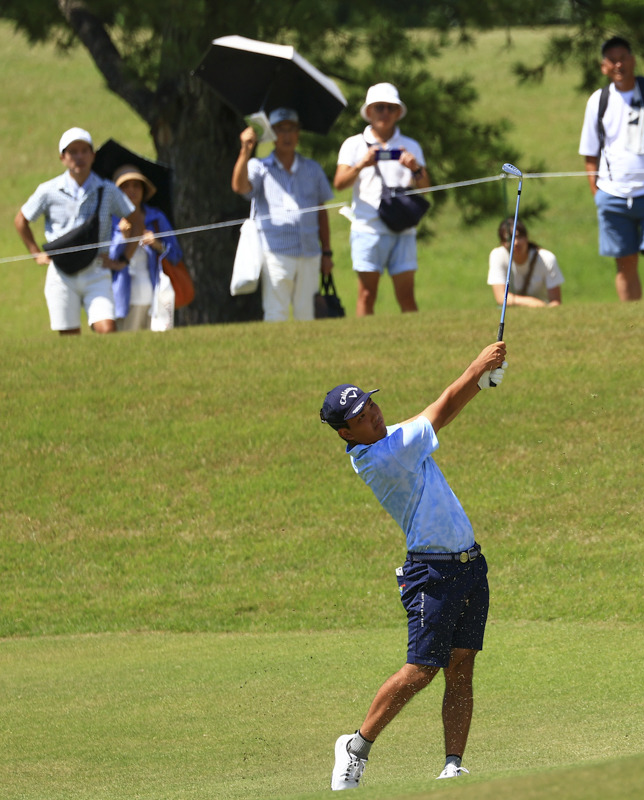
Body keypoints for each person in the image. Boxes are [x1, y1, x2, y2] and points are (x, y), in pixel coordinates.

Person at [322, 341, 508, 790]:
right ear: (347, 434)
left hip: (469, 566)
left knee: (461, 667)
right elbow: (441, 409)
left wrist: (482, 382)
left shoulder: (389, 438)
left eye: (372, 405)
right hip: (433, 573)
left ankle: (452, 766)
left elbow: (430, 411)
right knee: (421, 669)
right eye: (362, 418)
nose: (374, 416)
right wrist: (476, 368)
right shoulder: (383, 457)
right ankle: (356, 746)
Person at [578, 36, 644, 302]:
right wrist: (597, 194)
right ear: (603, 66)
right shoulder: (598, 100)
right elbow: (590, 153)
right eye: (612, 60)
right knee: (624, 263)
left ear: (633, 60)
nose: (618, 64)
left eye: (623, 58)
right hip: (612, 194)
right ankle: (632, 321)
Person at [13, 127, 138, 335]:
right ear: (62, 157)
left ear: (92, 155)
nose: (79, 157)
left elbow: (136, 220)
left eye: (84, 151)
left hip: (97, 269)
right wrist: (36, 254)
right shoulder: (48, 190)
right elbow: (21, 220)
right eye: (72, 152)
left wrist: (124, 259)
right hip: (61, 272)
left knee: (107, 330)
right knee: (69, 338)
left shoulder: (107, 189)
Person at [335, 83, 431, 315]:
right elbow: (339, 184)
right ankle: (363, 343)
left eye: (390, 107)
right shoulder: (353, 144)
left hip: (404, 228)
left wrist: (415, 168)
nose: (385, 113)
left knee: (407, 296)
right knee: (366, 295)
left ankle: (415, 342)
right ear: (368, 111)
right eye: (379, 107)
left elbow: (426, 189)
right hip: (368, 228)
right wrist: (362, 164)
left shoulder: (411, 146)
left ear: (398, 112)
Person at [233, 107, 335, 322]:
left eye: (291, 129)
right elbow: (240, 187)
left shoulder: (312, 169)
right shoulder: (259, 167)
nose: (286, 135)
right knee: (275, 312)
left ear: (298, 133)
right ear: (271, 135)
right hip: (276, 252)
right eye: (280, 130)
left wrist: (327, 252)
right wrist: (245, 151)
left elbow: (321, 212)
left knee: (306, 314)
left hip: (310, 252)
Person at [108, 165, 183, 331]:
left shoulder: (156, 217)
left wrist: (157, 245)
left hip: (155, 295)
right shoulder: (111, 220)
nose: (132, 190)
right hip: (122, 296)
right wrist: (123, 238)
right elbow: (108, 260)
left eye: (136, 185)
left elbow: (176, 255)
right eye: (125, 186)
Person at [487, 217, 563, 307]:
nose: (516, 243)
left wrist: (543, 308)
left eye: (519, 237)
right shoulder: (497, 255)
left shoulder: (547, 258)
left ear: (527, 238)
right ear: (502, 243)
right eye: (510, 238)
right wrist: (532, 302)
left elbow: (556, 301)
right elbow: (501, 297)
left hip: (542, 311)